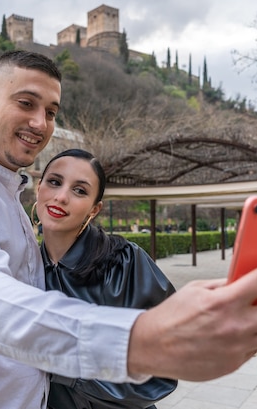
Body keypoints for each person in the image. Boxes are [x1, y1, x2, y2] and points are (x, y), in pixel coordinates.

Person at [0, 50, 257, 409]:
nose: (39, 122)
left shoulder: (12, 199)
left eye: (50, 112)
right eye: (26, 103)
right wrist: (146, 339)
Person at [35, 149, 177, 408]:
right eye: (54, 182)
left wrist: (69, 371)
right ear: (38, 188)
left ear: (95, 209)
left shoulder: (124, 262)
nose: (61, 196)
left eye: (80, 190)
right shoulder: (22, 265)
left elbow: (166, 362)